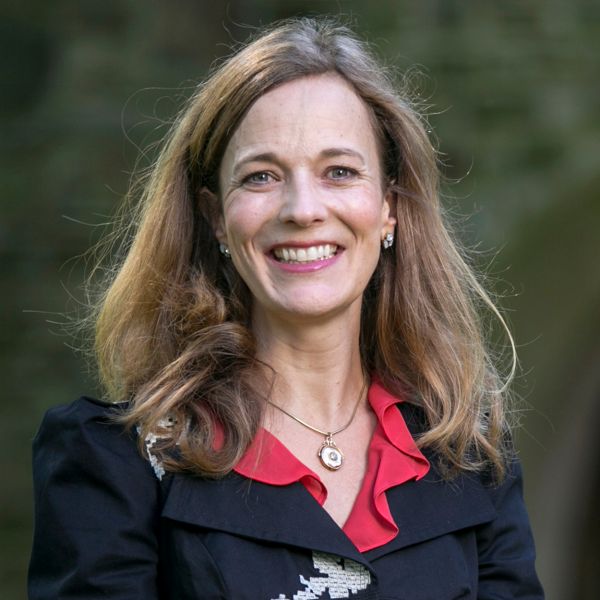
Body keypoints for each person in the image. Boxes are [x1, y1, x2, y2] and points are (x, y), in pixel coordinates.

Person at [29, 17, 544, 600]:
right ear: (216, 216)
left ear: (388, 208)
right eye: (262, 176)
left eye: (340, 172)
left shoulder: (470, 458)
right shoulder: (115, 462)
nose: (303, 209)